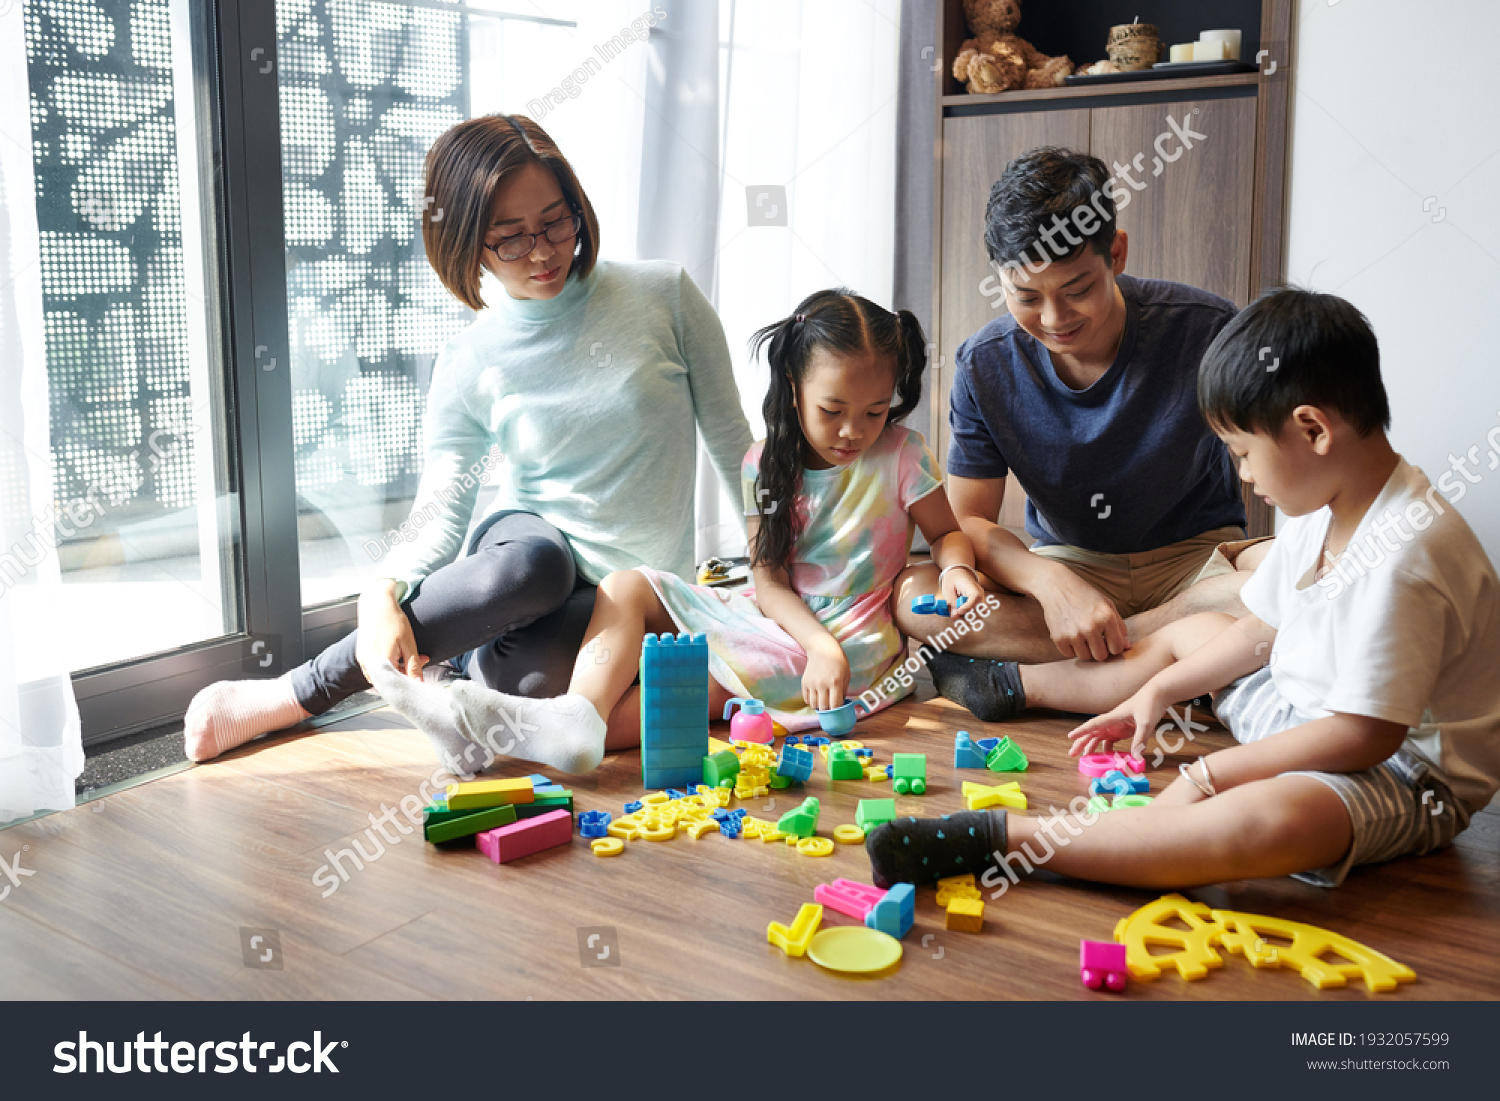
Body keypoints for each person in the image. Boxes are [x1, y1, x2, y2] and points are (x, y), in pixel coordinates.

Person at [865, 288, 1500, 893]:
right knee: (1195, 636)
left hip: (1400, 771)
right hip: (1304, 712)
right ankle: (1018, 687)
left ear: (1313, 430)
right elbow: (1259, 630)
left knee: (1263, 821)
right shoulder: (1324, 511)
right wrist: (1158, 692)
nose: (1246, 478)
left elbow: (1366, 737)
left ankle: (1001, 841)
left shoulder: (1405, 556)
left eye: (1244, 454)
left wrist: (1211, 771)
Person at [182, 113, 751, 763]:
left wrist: (781, 580)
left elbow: (736, 446)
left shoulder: (664, 296)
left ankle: (448, 686)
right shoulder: (471, 358)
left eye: (555, 222)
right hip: (527, 553)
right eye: (509, 238)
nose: (541, 251)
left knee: (537, 691)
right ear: (468, 245)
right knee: (539, 566)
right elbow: (442, 510)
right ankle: (297, 691)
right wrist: (382, 589)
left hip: (624, 598)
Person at [371, 289, 987, 771]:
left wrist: (956, 567)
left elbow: (945, 535)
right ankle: (576, 716)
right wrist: (812, 641)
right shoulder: (764, 463)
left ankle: (531, 737)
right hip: (779, 616)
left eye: (875, 412)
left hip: (851, 640)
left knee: (709, 687)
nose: (855, 430)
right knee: (628, 585)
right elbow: (769, 585)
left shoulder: (904, 455)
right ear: (795, 389)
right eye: (834, 411)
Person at [902, 147, 1270, 722]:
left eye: (1076, 290)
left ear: (1115, 253)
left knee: (1311, 580)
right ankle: (1170, 653)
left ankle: (1053, 672)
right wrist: (1051, 585)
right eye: (1025, 296)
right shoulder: (984, 364)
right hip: (1071, 564)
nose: (1053, 318)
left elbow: (1273, 456)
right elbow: (968, 522)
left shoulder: (1207, 329)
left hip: (1198, 564)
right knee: (916, 599)